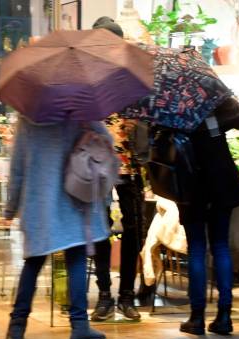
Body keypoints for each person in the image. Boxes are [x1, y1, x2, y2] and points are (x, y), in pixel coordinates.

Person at [5, 118, 112, 339]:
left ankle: (17, 324)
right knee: (76, 259)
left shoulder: (29, 117)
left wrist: (10, 207)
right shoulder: (83, 110)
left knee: (33, 262)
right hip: (75, 197)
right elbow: (107, 144)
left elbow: (17, 169)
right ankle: (80, 326)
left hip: (39, 201)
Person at [88, 16, 147, 322]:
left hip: (131, 165)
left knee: (135, 231)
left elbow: (145, 114)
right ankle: (104, 295)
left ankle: (127, 295)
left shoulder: (131, 74)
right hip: (97, 164)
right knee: (99, 230)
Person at [176, 124, 239, 336]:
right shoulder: (214, 100)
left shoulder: (174, 110)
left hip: (191, 186)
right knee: (220, 246)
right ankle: (225, 315)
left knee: (197, 249)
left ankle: (197, 317)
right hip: (221, 181)